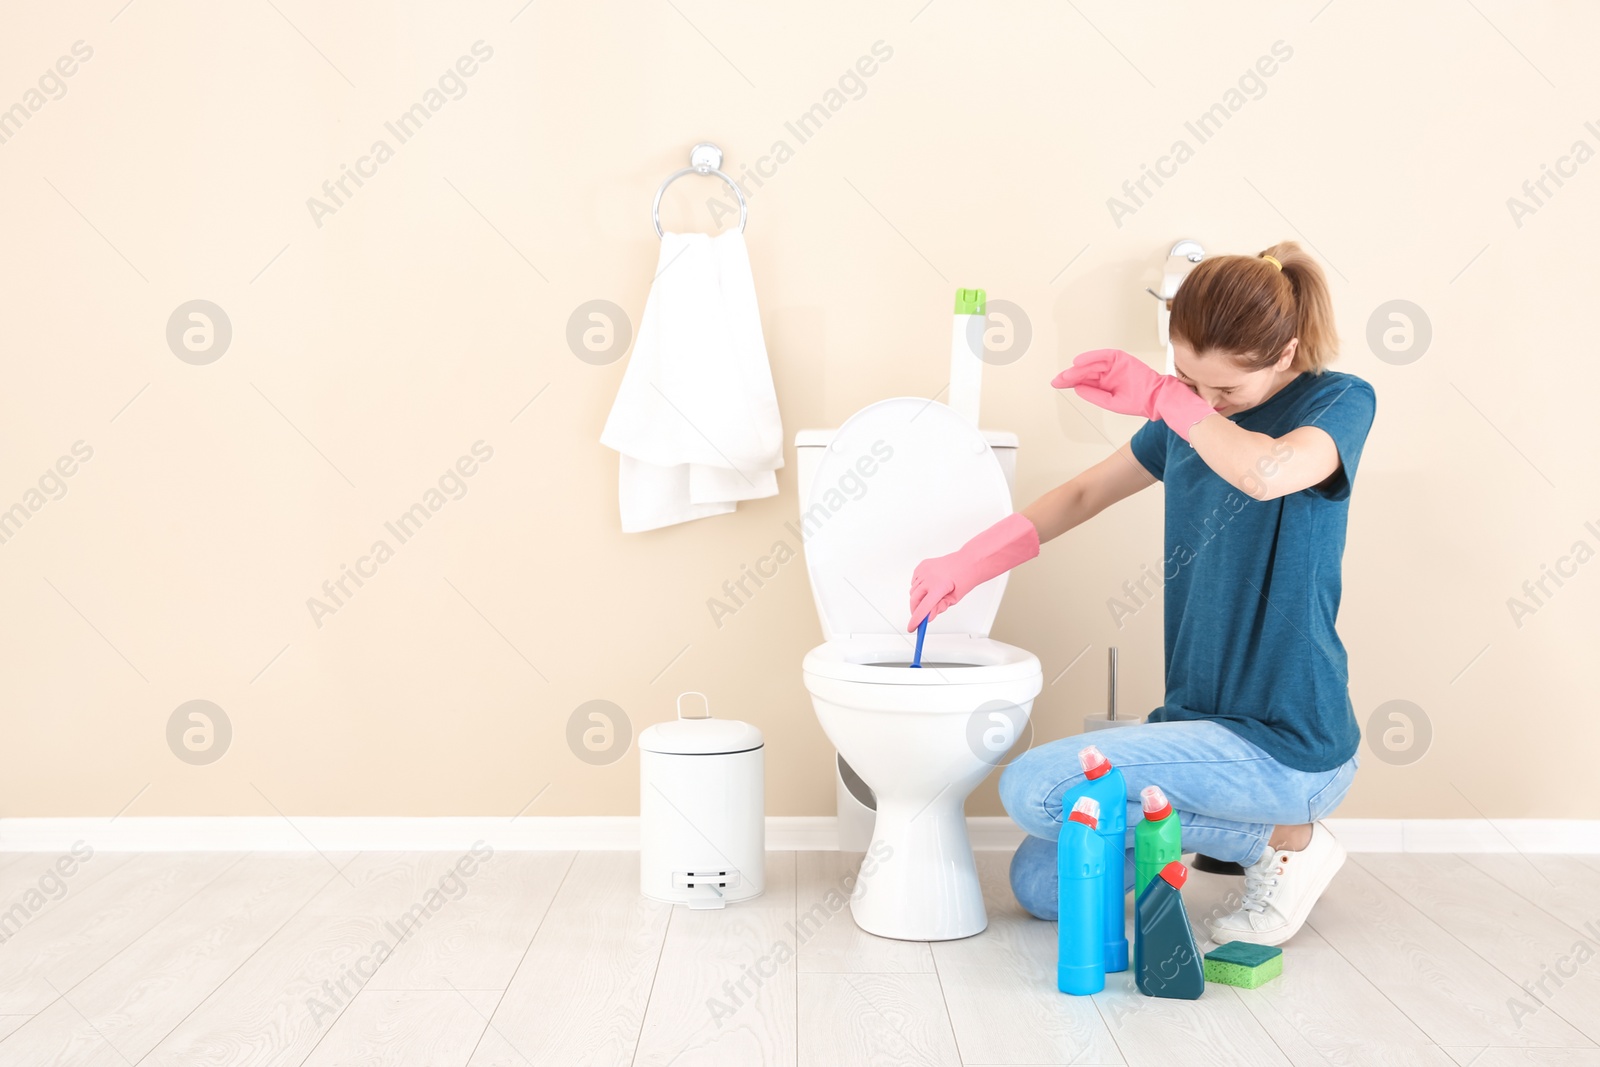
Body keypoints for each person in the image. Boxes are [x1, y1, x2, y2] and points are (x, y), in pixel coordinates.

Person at [906, 241, 1377, 946]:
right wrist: (968, 562)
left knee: (1033, 788)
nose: (1203, 401)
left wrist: (1167, 398)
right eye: (1187, 377)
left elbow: (1266, 472)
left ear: (1285, 354)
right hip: (1198, 726)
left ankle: (1287, 839)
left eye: (1226, 391)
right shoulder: (1186, 417)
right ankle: (1244, 832)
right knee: (1042, 888)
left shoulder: (1338, 401)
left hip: (1289, 743)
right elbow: (1085, 492)